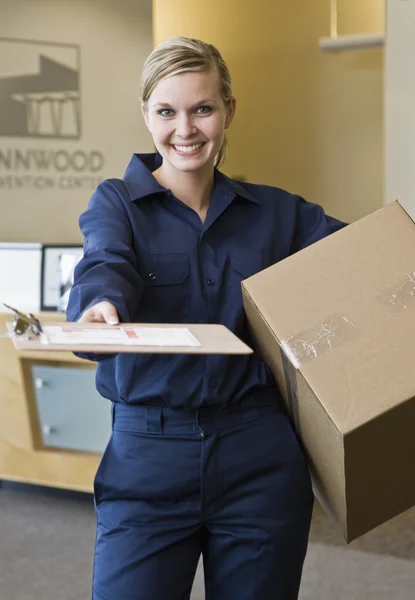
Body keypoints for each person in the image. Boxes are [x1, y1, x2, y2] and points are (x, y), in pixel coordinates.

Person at [66, 37, 346, 600]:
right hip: (150, 454)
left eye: (203, 108)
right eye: (167, 112)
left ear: (228, 111)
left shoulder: (279, 213)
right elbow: (106, 259)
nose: (185, 129)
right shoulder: (117, 202)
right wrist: (101, 305)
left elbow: (366, 261)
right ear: (146, 114)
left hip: (259, 455)